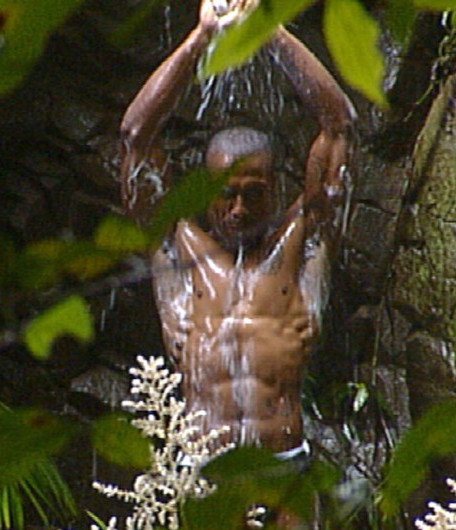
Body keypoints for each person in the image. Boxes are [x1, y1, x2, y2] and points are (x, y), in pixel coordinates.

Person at [120, 0, 355, 478]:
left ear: (278, 188)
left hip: (285, 466)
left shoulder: (303, 242)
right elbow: (135, 136)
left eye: (254, 194)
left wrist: (268, 30)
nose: (239, 209)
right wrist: (200, 41)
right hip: (203, 470)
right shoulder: (174, 247)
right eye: (226, 196)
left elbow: (340, 124)